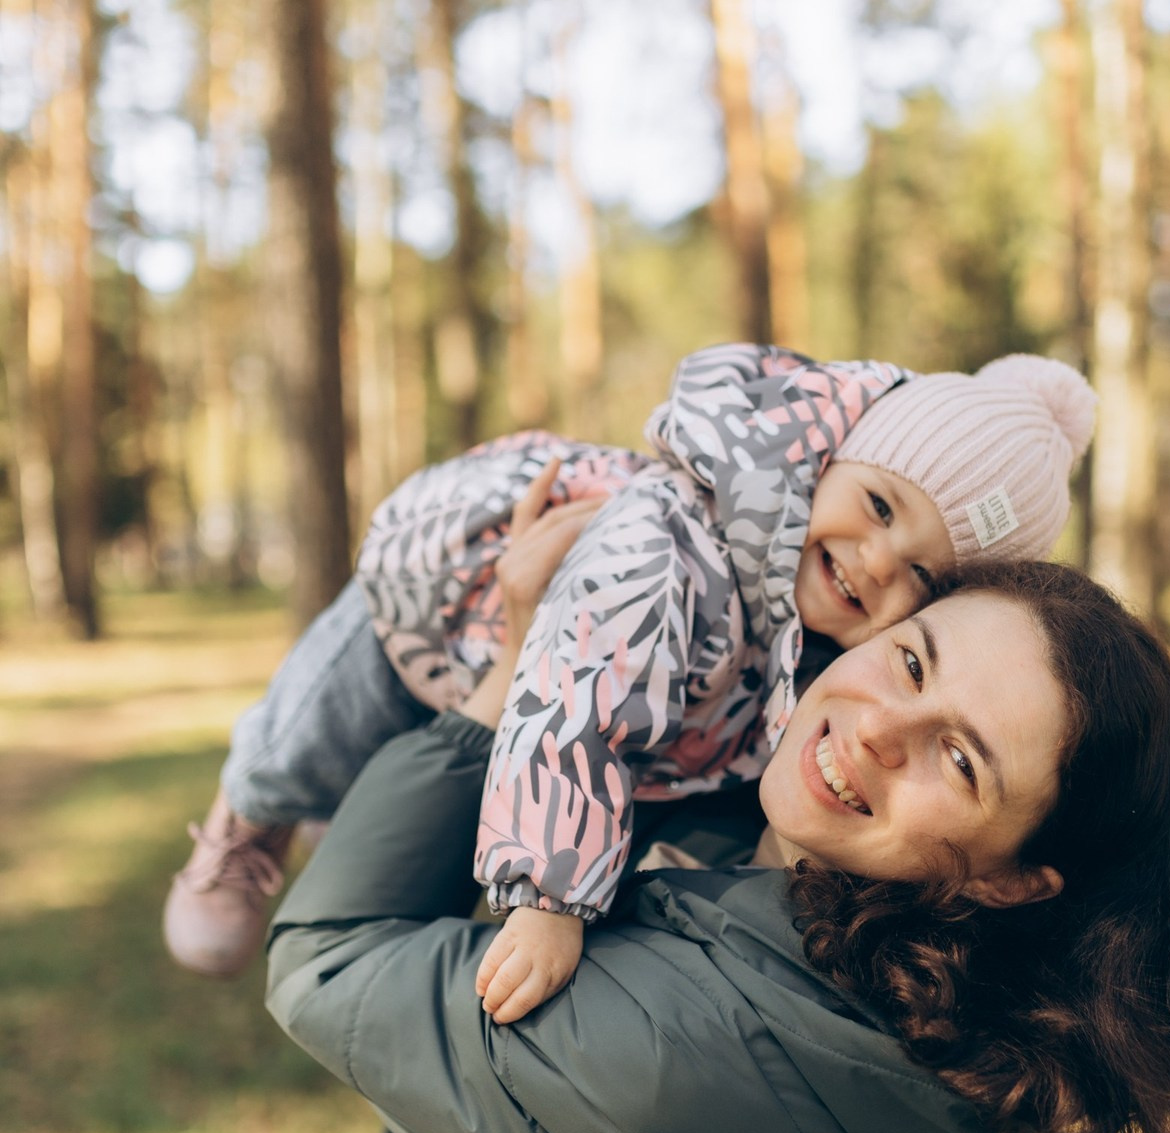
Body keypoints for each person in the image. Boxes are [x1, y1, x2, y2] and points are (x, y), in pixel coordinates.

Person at [264, 513, 1170, 1133]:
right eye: (911, 659)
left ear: (1009, 877)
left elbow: (326, 958)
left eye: (959, 757)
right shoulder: (781, 894)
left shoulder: (696, 1062)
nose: (880, 725)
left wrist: (517, 678)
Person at [166, 343, 1095, 999]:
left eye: (925, 573)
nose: (879, 562)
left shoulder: (820, 635)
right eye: (880, 505)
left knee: (406, 789)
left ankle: (352, 821)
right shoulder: (672, 550)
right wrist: (551, 898)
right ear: (826, 459)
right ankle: (243, 823)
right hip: (440, 594)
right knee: (319, 720)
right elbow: (580, 701)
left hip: (558, 691)